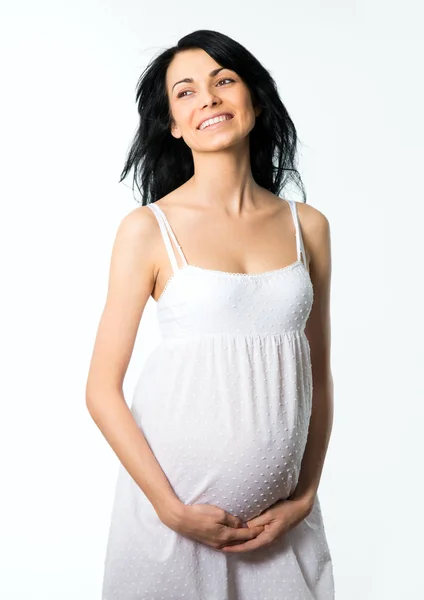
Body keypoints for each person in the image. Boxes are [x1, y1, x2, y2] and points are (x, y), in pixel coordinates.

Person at [86, 29, 335, 599]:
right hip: (171, 525)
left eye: (224, 80)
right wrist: (172, 510)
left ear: (254, 97)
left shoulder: (309, 227)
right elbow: (101, 389)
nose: (209, 99)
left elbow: (318, 377)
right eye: (186, 92)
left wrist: (303, 498)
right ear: (172, 123)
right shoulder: (149, 229)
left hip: (283, 528)